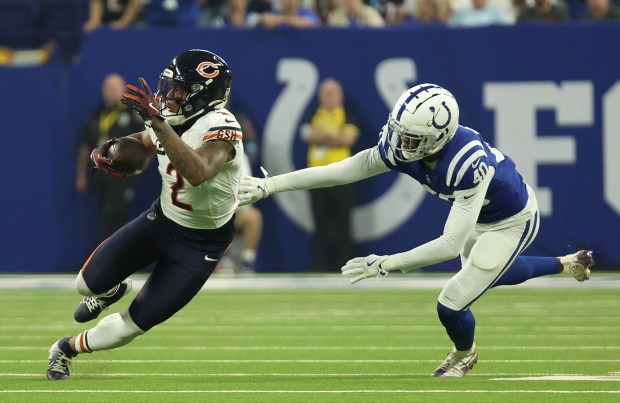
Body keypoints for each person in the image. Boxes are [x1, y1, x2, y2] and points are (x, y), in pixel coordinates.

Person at [238, 83, 595, 377]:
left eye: (409, 137)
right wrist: (272, 186)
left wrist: (386, 264)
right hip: (481, 215)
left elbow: (449, 245)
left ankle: (464, 353)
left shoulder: (467, 165)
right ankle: (565, 264)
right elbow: (345, 169)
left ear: (437, 138)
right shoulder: (408, 144)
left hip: (512, 221)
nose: (398, 142)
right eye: (399, 131)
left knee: (452, 302)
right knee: (485, 272)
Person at [47, 49, 244, 380]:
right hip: (163, 221)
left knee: (134, 324)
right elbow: (144, 143)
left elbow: (198, 171)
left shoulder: (223, 127)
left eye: (181, 90)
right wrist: (117, 149)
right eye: (171, 85)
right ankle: (111, 289)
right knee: (85, 284)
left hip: (201, 245)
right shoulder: (167, 118)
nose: (171, 95)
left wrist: (157, 124)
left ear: (205, 95)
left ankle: (64, 349)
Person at [75, 73, 145, 240]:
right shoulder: (97, 113)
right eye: (107, 87)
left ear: (123, 89)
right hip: (99, 173)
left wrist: (138, 168)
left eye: (114, 87)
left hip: (122, 173)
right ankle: (107, 255)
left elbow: (149, 144)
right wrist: (81, 175)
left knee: (115, 214)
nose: (110, 91)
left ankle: (113, 256)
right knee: (103, 213)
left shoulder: (133, 114)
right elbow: (86, 145)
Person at [301, 78, 359, 272]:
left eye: (333, 92)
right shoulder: (312, 114)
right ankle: (318, 267)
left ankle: (346, 267)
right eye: (326, 93)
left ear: (340, 95)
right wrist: (333, 136)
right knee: (320, 226)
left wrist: (321, 136)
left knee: (343, 224)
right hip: (317, 178)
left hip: (342, 177)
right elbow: (305, 135)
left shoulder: (348, 115)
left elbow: (348, 138)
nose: (329, 96)